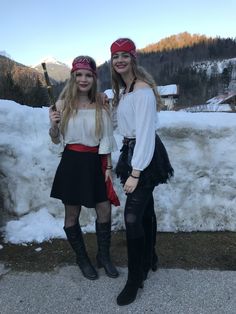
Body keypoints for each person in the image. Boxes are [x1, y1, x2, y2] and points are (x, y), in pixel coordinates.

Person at [109, 38, 174, 305]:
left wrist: (136, 172)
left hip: (143, 155)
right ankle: (149, 258)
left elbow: (146, 133)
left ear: (133, 59)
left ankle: (135, 279)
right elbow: (124, 124)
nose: (120, 60)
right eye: (115, 57)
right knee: (145, 211)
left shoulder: (143, 90)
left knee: (133, 217)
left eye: (125, 55)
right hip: (132, 151)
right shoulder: (126, 90)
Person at [49, 55, 119, 281]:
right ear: (72, 77)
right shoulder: (61, 105)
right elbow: (55, 140)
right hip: (71, 163)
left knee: (104, 209)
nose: (83, 79)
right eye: (79, 74)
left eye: (88, 75)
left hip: (95, 161)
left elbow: (107, 136)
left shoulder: (101, 102)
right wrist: (53, 124)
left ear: (94, 78)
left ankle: (104, 256)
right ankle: (82, 258)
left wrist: (108, 165)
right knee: (72, 214)